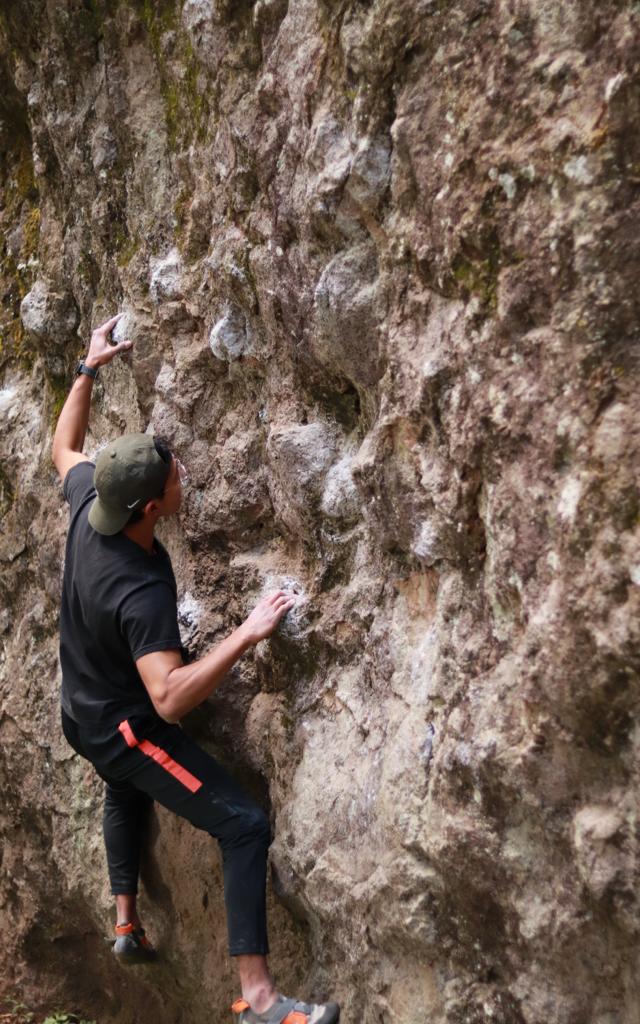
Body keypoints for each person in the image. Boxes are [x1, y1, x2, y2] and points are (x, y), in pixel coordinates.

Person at [52, 313, 341, 1024]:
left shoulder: (93, 496)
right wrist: (246, 633)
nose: (182, 473)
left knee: (122, 787)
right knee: (241, 822)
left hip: (80, 708)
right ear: (152, 508)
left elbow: (62, 446)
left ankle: (125, 922)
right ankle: (260, 1000)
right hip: (125, 724)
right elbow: (171, 698)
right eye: (175, 475)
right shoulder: (141, 588)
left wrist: (89, 368)